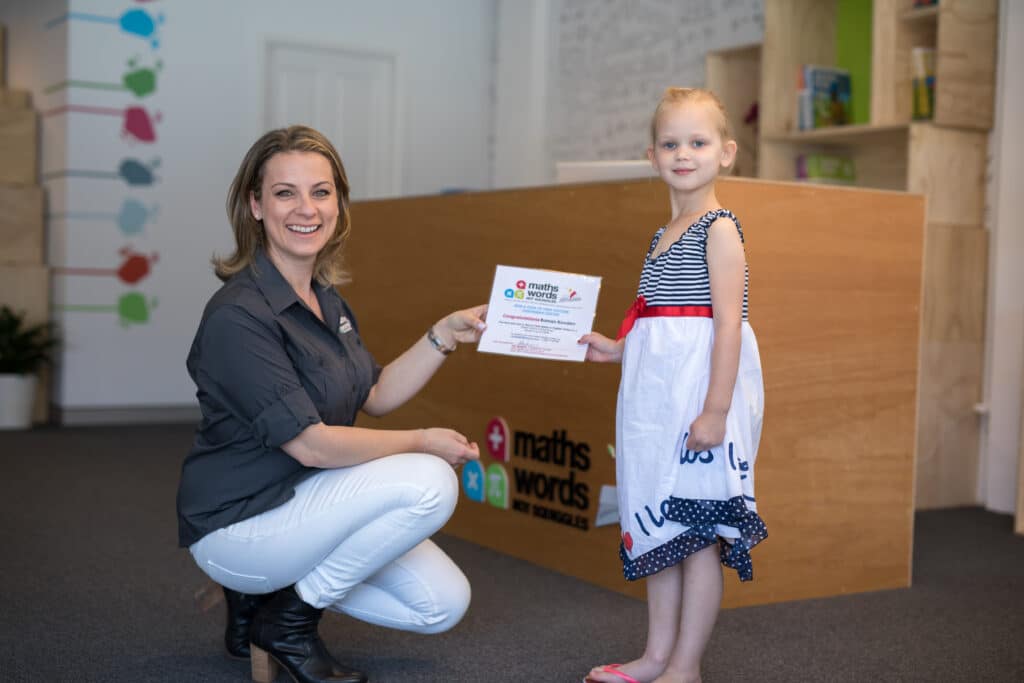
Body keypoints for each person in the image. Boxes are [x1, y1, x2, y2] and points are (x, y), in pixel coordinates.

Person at [176, 125, 488, 683]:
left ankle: (266, 603)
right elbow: (314, 445)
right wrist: (423, 443)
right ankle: (288, 622)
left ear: (339, 205)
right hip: (238, 521)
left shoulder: (325, 297)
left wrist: (443, 333)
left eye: (321, 192)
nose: (307, 208)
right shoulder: (238, 315)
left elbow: (374, 395)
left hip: (303, 501)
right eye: (285, 192)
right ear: (254, 205)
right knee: (429, 481)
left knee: (442, 605)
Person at [578, 88, 767, 683]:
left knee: (702, 533)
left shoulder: (720, 229)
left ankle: (685, 667)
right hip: (655, 400)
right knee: (658, 524)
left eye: (698, 142)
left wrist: (715, 411)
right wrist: (617, 349)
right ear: (652, 155)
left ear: (726, 153)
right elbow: (658, 320)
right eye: (670, 143)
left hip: (698, 398)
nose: (683, 153)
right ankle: (656, 655)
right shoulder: (664, 231)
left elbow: (727, 329)